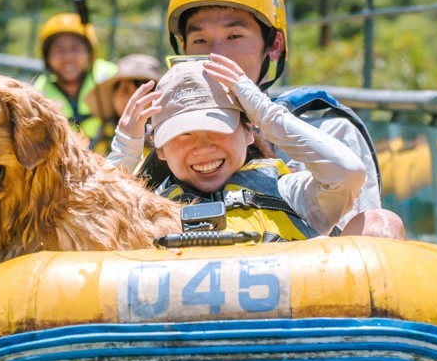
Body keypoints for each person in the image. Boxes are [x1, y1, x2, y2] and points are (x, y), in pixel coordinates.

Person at [110, 0, 399, 236]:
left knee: (379, 224)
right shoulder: (161, 145)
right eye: (200, 40)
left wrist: (263, 114)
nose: (216, 54)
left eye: (234, 36)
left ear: (274, 45)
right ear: (183, 48)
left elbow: (352, 223)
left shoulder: (329, 128)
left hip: (306, 273)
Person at [146, 58, 364, 240]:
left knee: (381, 222)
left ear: (249, 130)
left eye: (218, 129)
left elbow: (348, 171)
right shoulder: (149, 209)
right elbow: (112, 228)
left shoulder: (289, 192)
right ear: (160, 148)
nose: (203, 148)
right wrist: (123, 156)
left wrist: (266, 114)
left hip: (298, 291)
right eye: (184, 135)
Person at [31, 12, 118, 148]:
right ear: (47, 56)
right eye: (59, 50)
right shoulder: (37, 93)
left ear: (90, 52)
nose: (68, 57)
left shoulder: (111, 77)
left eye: (75, 48)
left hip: (114, 162)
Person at [85, 53, 164, 156]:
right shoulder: (103, 137)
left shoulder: (167, 138)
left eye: (139, 85)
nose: (128, 97)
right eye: (119, 88)